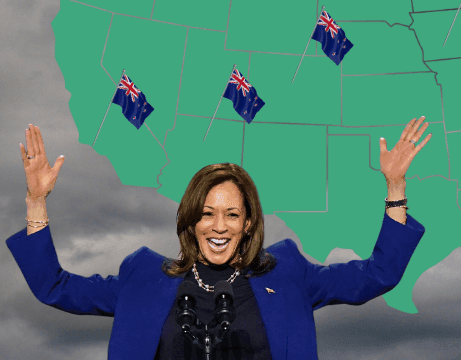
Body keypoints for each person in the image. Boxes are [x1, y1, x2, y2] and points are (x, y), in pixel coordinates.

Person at [7, 117, 433, 360]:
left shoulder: (288, 275)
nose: (219, 226)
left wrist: (395, 187)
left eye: (232, 214)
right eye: (207, 214)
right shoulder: (143, 277)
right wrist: (35, 200)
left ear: (249, 223)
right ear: (191, 221)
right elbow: (54, 288)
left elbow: (378, 274)